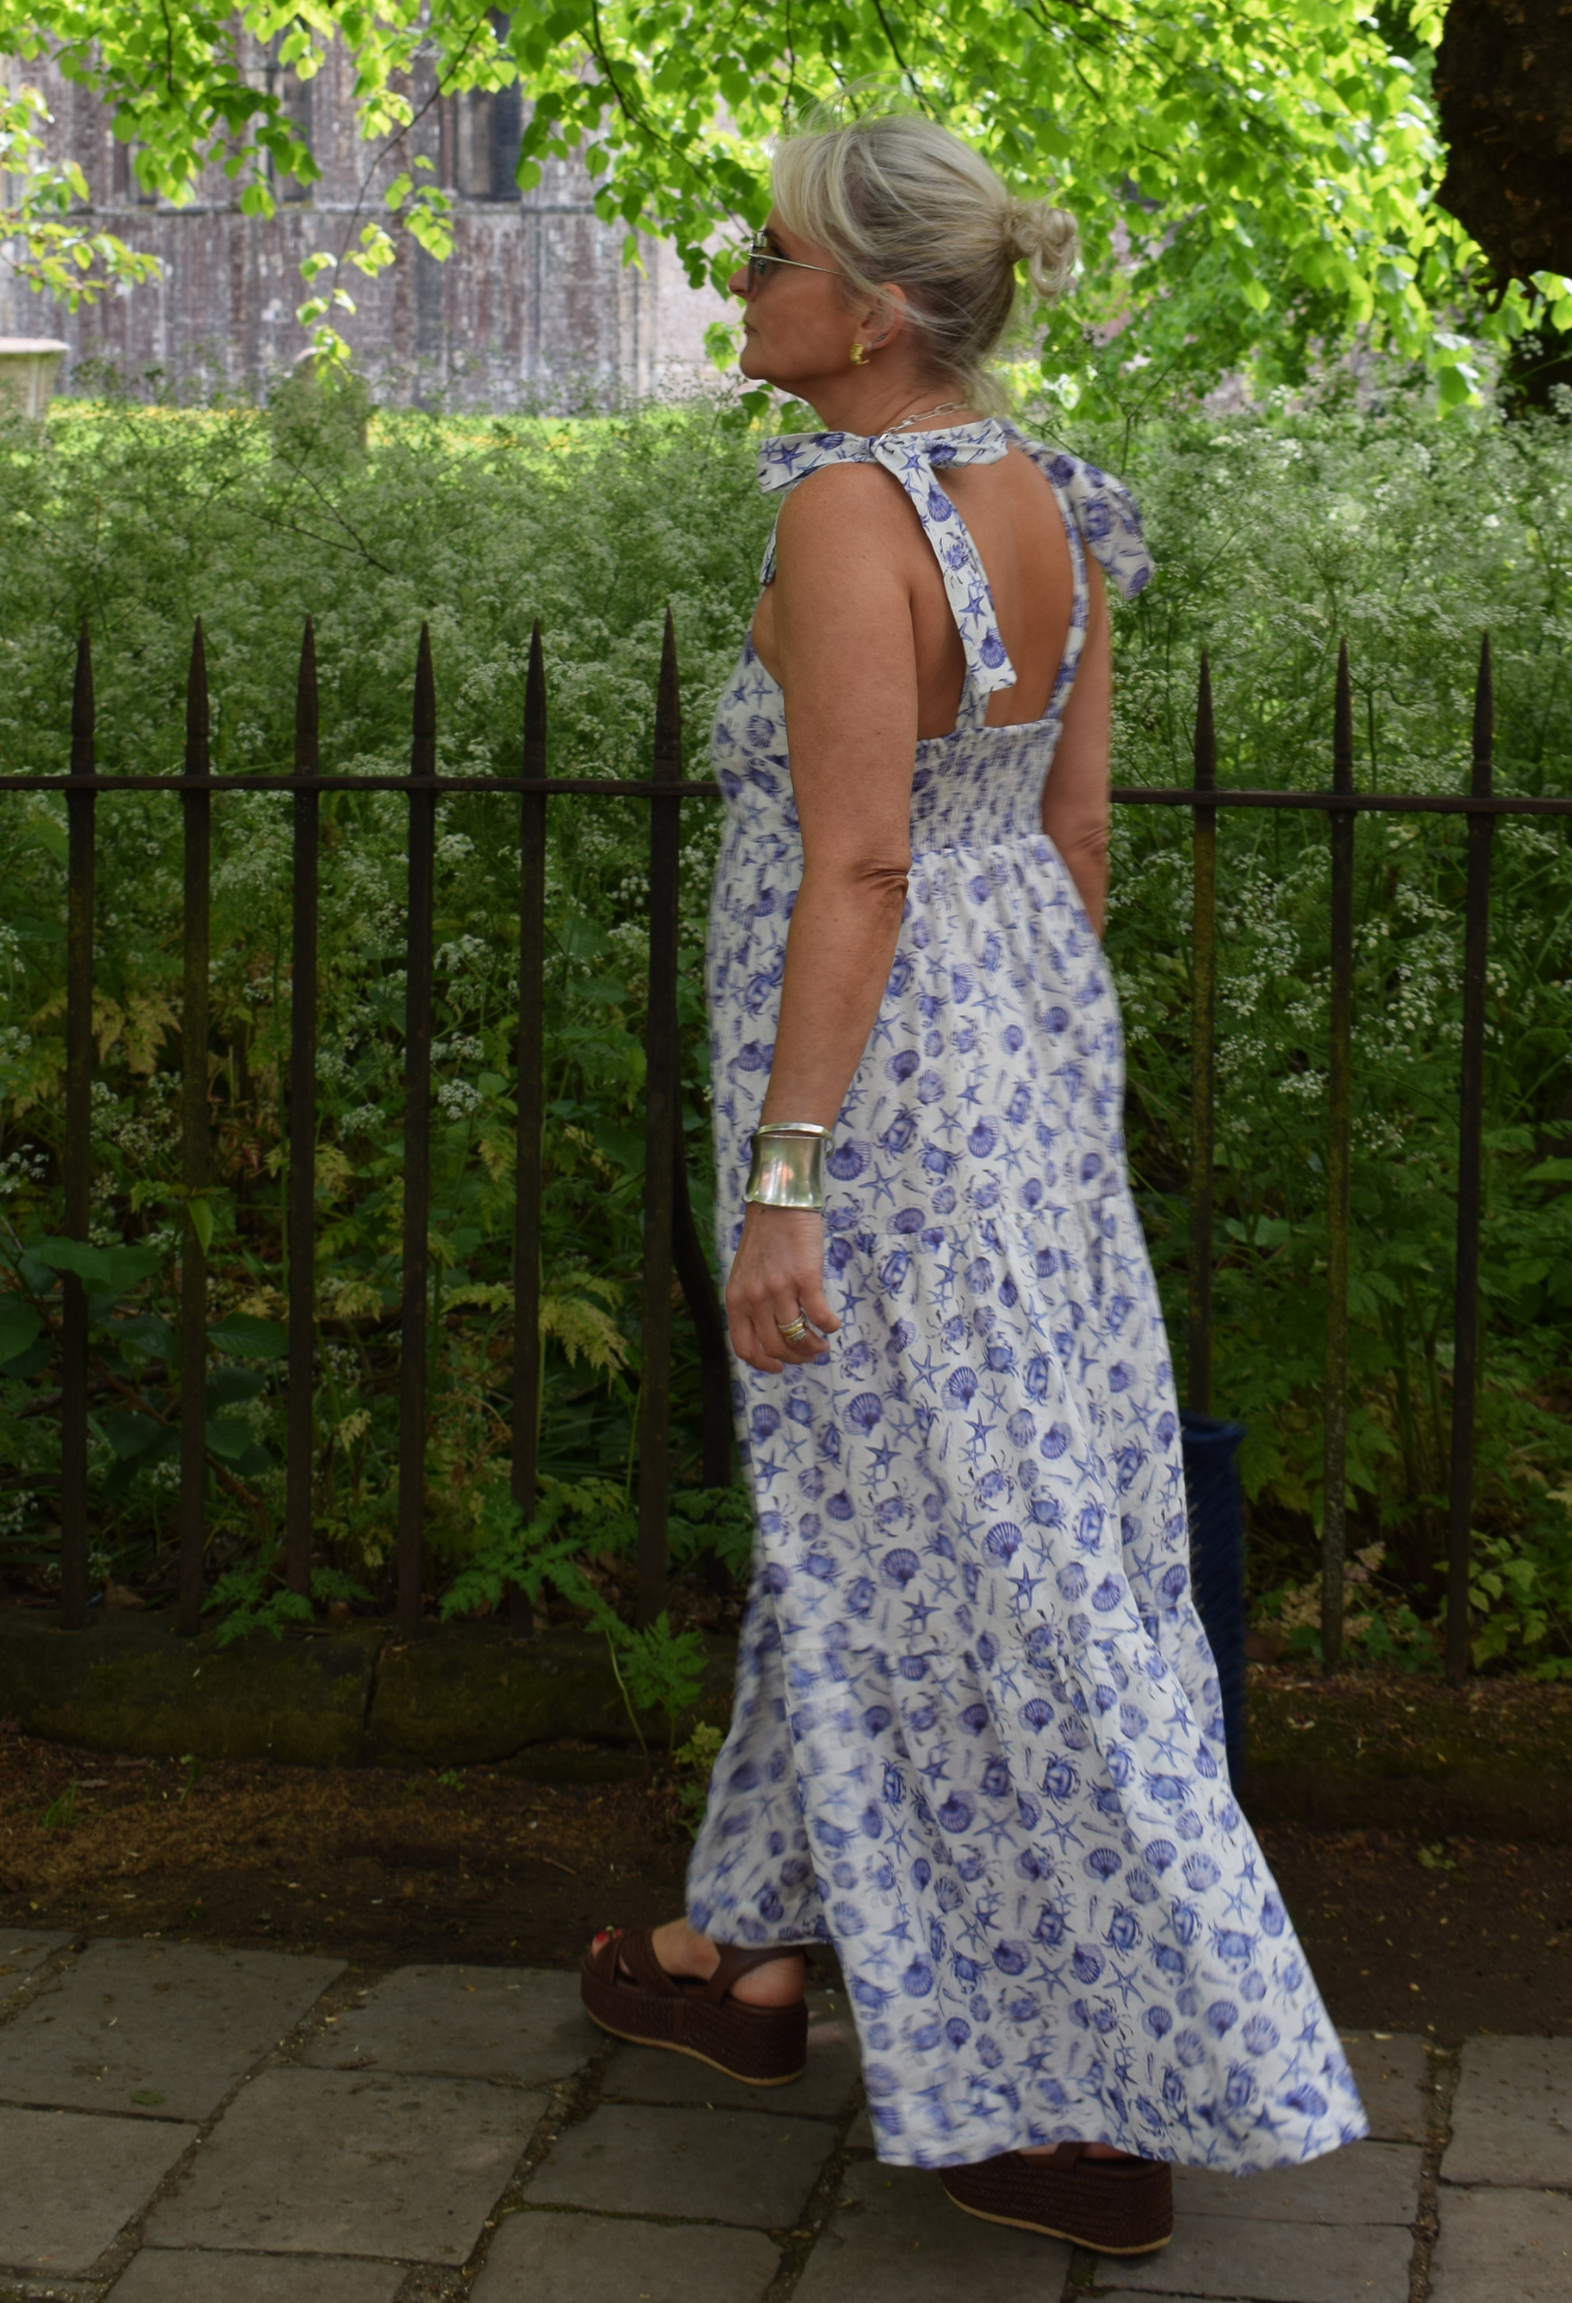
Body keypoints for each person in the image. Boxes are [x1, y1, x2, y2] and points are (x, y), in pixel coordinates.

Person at [581, 109, 1365, 2256]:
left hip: (871, 1099)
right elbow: (1068, 843)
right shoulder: (1042, 499)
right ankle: (745, 1963)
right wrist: (1016, 1084)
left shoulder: (850, 515)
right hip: (1013, 1059)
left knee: (989, 1568)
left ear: (881, 309)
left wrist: (787, 1181)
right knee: (922, 1523)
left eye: (769, 257)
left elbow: (858, 858)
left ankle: (1090, 2083)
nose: (738, 282)